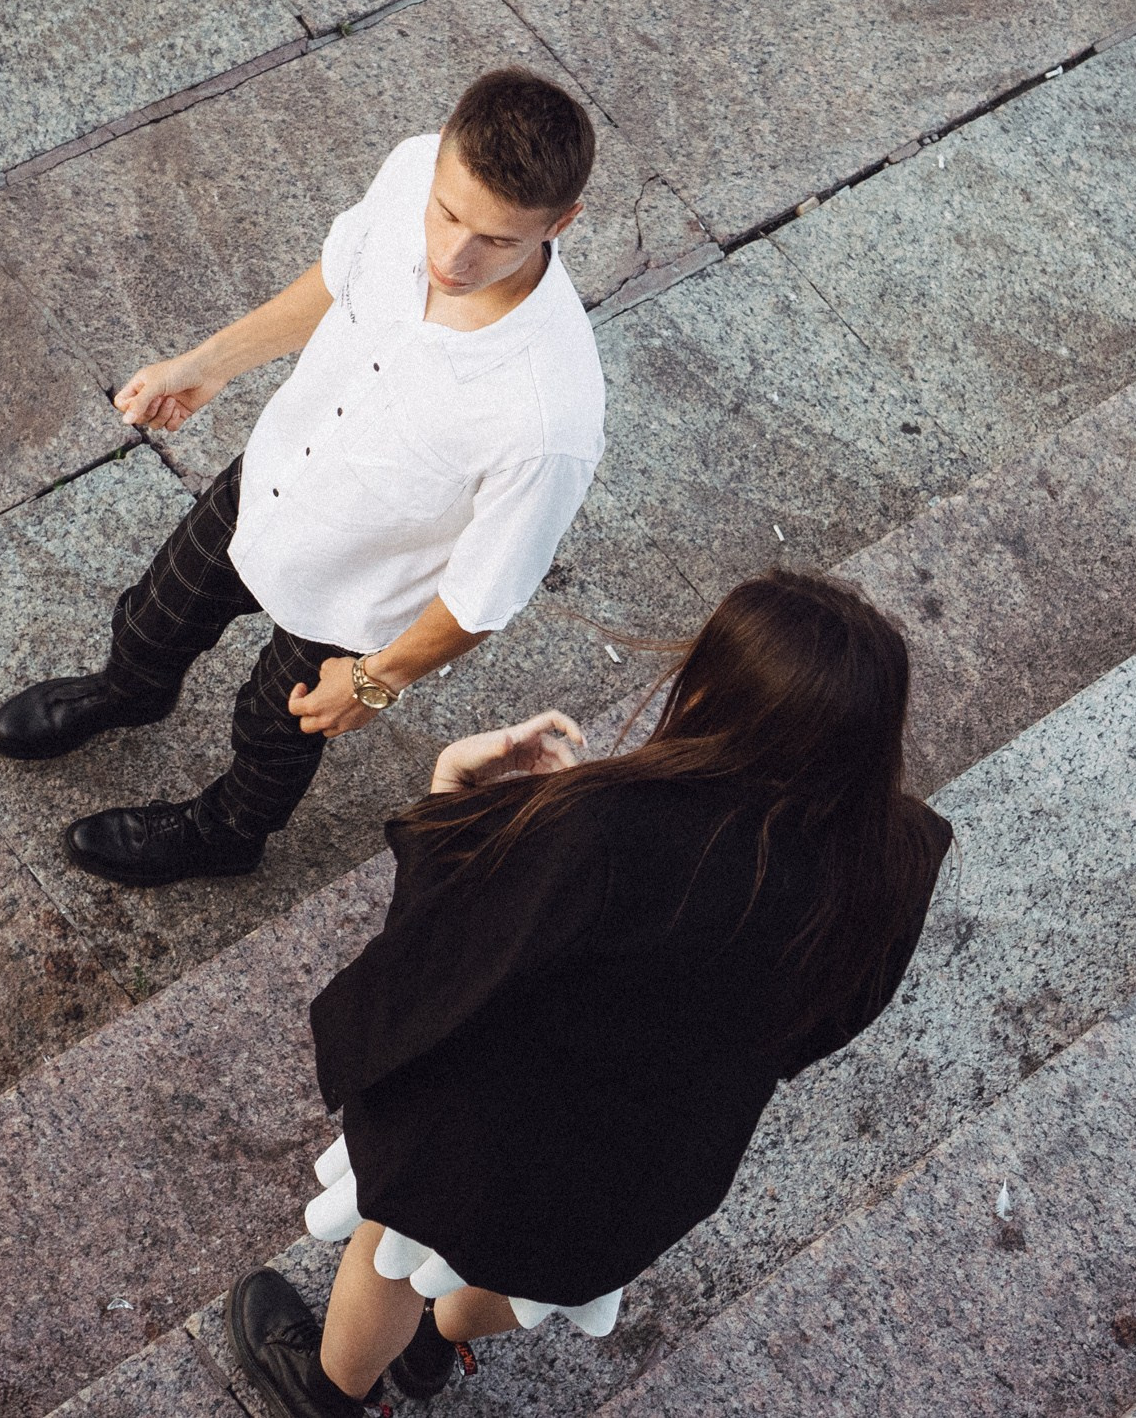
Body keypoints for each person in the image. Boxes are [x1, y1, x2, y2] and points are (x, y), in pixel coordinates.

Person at [227, 571, 956, 1416]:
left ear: (713, 693)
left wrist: (451, 800)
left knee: (392, 1249)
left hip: (487, 1134)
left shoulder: (605, 826)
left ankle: (327, 1394)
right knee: (528, 1276)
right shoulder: (902, 858)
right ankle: (432, 1346)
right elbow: (822, 1026)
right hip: (650, 1165)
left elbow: (448, 953)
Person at [0, 69, 606, 883]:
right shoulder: (412, 168)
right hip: (277, 475)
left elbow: (484, 594)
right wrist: (209, 363)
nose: (452, 256)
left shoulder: (549, 414)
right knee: (155, 616)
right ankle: (130, 692)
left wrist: (377, 680)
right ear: (439, 158)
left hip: (359, 591)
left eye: (496, 240)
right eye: (448, 213)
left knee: (272, 728)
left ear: (563, 222)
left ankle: (226, 836)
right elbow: (337, 279)